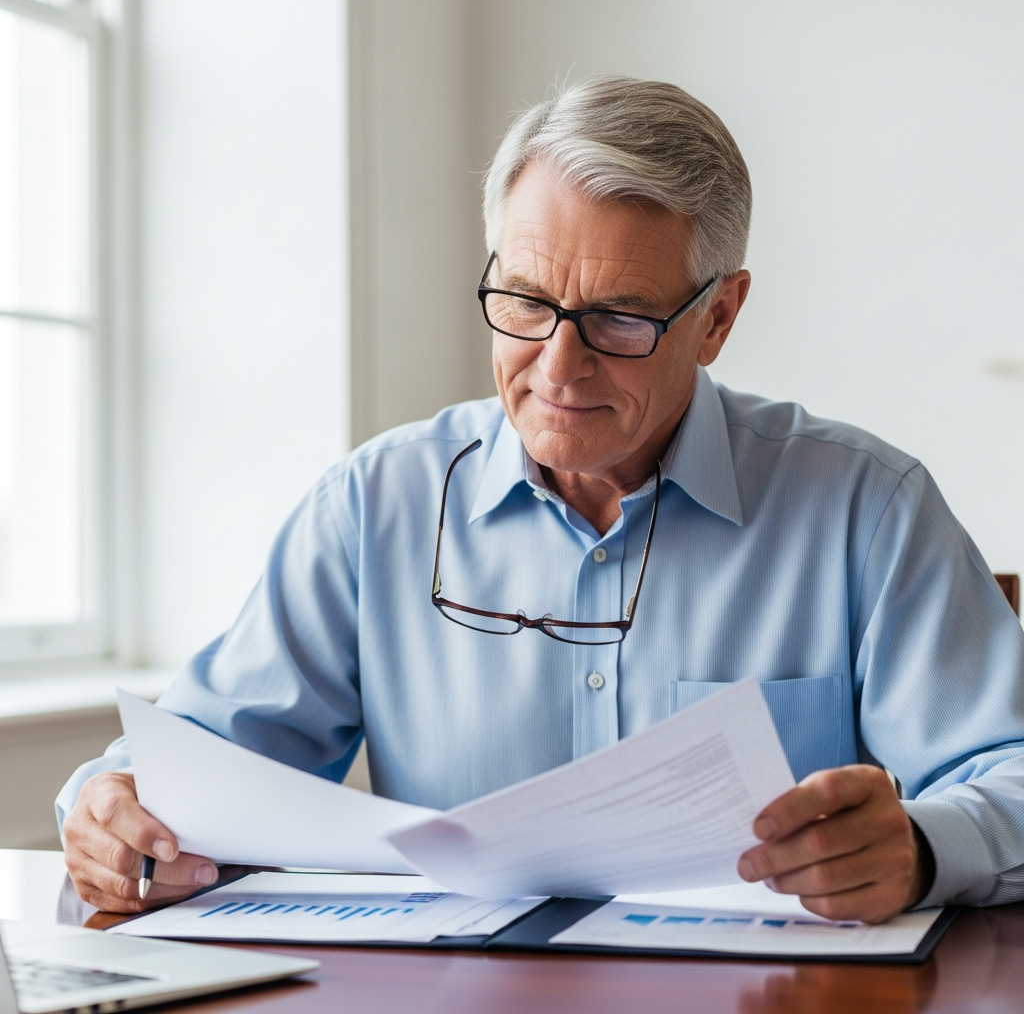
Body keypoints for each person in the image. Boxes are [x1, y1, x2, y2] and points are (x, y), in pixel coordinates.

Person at [58, 76, 1024, 923]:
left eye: (617, 318)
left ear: (719, 316)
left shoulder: (868, 510)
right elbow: (194, 763)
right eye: (524, 301)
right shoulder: (375, 506)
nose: (557, 366)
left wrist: (925, 847)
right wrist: (110, 805)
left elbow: (1009, 772)